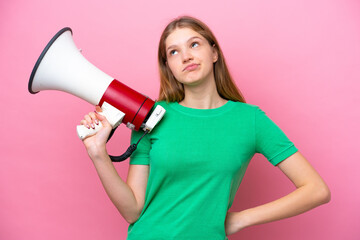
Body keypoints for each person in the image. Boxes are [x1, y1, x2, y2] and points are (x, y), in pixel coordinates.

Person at [80, 16, 331, 239]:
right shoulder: (151, 117)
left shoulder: (250, 120)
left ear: (214, 52)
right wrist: (98, 153)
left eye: (194, 44)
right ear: (168, 67)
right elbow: (132, 210)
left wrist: (243, 218)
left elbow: (316, 190)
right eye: (174, 52)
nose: (186, 56)